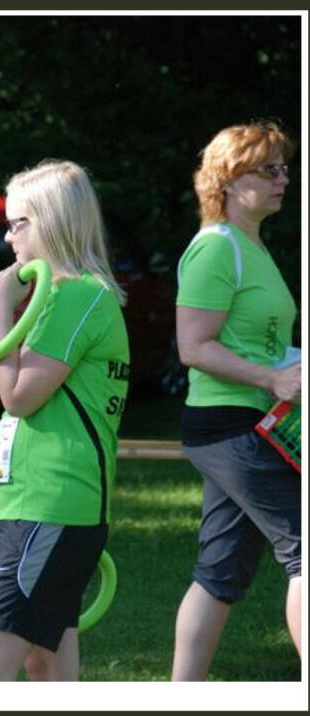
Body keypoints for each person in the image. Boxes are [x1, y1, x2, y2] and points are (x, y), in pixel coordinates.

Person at [0, 160, 129, 681]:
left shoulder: (74, 297)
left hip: (48, 508)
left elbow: (16, 396)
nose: (8, 237)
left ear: (51, 222)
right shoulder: (74, 297)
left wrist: (0, 307)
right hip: (47, 507)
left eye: (18, 223)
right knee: (48, 669)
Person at [170, 121, 301, 680]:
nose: (284, 178)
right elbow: (193, 347)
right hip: (231, 428)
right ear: (226, 179)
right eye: (268, 169)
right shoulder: (215, 249)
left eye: (285, 168)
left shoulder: (251, 245)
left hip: (252, 424)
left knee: (219, 572)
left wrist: (289, 363)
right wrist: (271, 379)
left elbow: (256, 342)